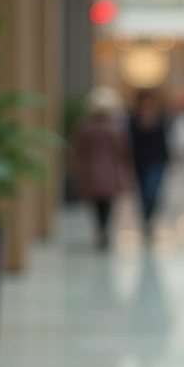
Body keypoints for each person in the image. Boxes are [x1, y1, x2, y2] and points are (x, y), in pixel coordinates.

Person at [71, 86, 129, 251]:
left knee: (96, 204)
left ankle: (100, 230)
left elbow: (78, 150)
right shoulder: (115, 128)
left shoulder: (84, 127)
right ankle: (104, 230)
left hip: (91, 171)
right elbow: (122, 151)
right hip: (110, 170)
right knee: (108, 204)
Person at [128, 89, 171, 240]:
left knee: (153, 191)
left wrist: (168, 159)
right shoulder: (133, 121)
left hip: (157, 161)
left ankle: (150, 219)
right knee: (142, 193)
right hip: (139, 162)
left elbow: (164, 142)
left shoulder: (160, 120)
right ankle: (145, 220)